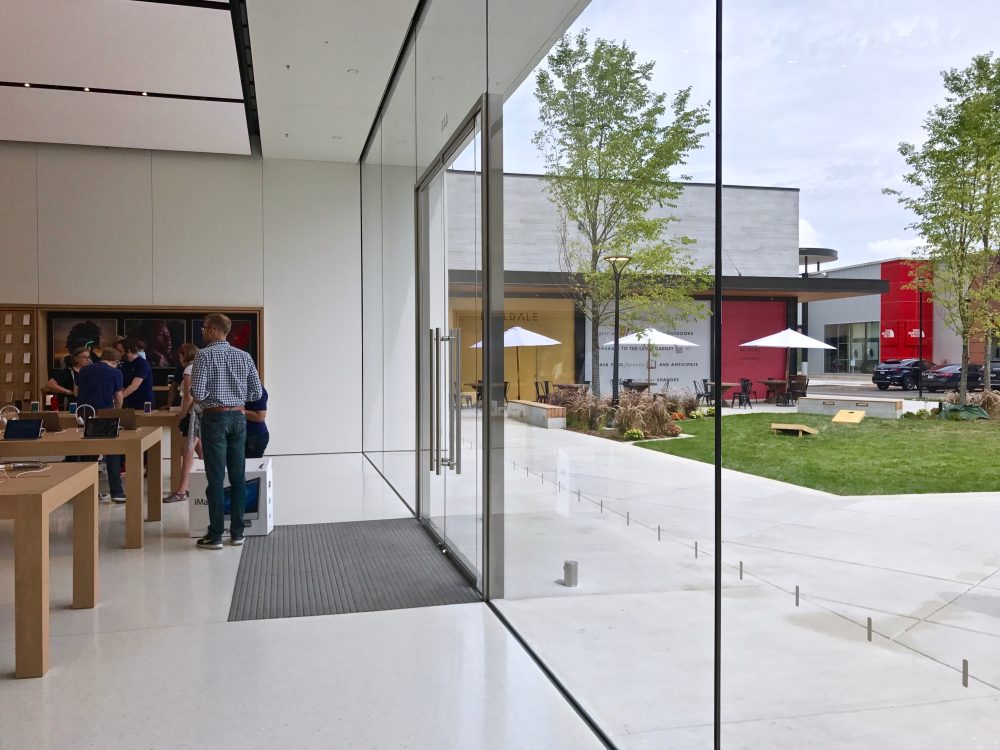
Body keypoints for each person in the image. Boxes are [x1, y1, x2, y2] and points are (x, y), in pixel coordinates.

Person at [190, 313, 262, 550]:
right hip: (239, 418)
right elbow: (256, 394)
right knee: (238, 476)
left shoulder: (203, 355)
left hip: (215, 418)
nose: (202, 332)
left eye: (203, 328)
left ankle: (215, 535)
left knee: (216, 477)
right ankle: (238, 532)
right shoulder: (244, 356)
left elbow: (198, 394)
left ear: (212, 331)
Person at [75, 349, 125, 502]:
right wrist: (117, 414)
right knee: (112, 452)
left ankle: (84, 491)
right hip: (105, 414)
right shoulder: (115, 373)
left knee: (88, 452)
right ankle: (117, 492)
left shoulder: (83, 370)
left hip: (83, 414)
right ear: (115, 362)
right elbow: (118, 397)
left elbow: (76, 392)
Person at [164, 344, 201, 503]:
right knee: (200, 452)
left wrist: (182, 413)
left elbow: (188, 397)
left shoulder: (188, 370)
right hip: (202, 414)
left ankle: (181, 490)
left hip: (192, 415)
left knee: (186, 451)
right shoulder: (201, 367)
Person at [120, 338, 154, 410]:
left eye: (121, 351)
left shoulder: (142, 364)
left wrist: (119, 398)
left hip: (142, 402)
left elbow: (134, 385)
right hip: (129, 401)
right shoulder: (124, 364)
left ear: (128, 351)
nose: (119, 353)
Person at [244, 384, 269, 458]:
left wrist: (237, 411)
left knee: (249, 468)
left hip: (253, 437)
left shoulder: (255, 388)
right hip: (240, 435)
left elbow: (260, 416)